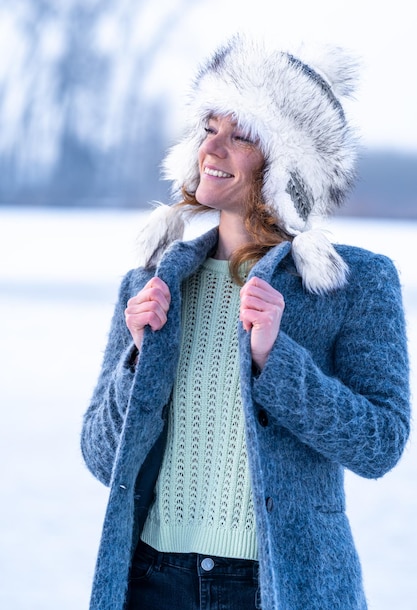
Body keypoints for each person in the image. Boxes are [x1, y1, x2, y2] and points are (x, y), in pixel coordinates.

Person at [81, 33, 410, 610]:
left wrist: (276, 360)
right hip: (152, 583)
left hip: (280, 585)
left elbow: (379, 443)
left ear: (287, 166)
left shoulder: (352, 282)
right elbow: (101, 459)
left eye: (242, 136)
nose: (214, 149)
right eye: (210, 129)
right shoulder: (151, 284)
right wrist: (136, 360)